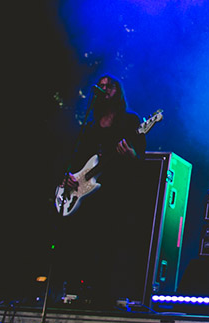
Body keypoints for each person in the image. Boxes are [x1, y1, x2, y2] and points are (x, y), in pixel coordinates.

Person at [55, 74, 148, 308]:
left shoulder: (129, 122)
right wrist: (69, 177)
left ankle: (105, 294)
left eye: (110, 86)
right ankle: (74, 289)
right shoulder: (90, 126)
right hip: (86, 193)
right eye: (101, 86)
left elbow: (140, 158)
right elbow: (76, 158)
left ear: (118, 91)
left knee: (110, 242)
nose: (104, 89)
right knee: (81, 241)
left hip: (115, 191)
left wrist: (131, 155)